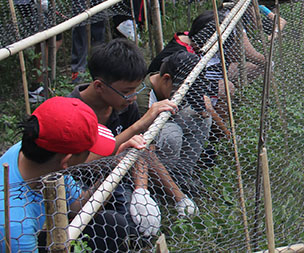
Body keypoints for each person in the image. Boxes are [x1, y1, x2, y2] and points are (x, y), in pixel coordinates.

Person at [70, 39, 197, 237]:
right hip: (83, 189)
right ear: (99, 86)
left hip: (122, 175)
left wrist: (142, 192)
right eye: (127, 91)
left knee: (140, 225)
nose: (132, 97)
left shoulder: (123, 105)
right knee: (127, 229)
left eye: (134, 90)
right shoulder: (72, 113)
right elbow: (77, 165)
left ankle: (171, 199)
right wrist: (139, 126)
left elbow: (141, 149)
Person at [0, 96, 138, 252]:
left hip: (38, 230)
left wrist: (114, 172)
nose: (93, 154)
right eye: (89, 150)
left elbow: (76, 206)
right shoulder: (15, 226)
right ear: (67, 159)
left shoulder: (43, 149)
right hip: (23, 239)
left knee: (111, 224)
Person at [147, 51, 213, 185]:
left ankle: (181, 177)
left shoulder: (172, 85)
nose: (184, 95)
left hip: (167, 120)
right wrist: (178, 197)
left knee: (200, 119)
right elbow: (148, 146)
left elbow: (202, 112)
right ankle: (159, 185)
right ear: (166, 79)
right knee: (172, 134)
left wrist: (201, 106)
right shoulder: (143, 98)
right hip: (147, 139)